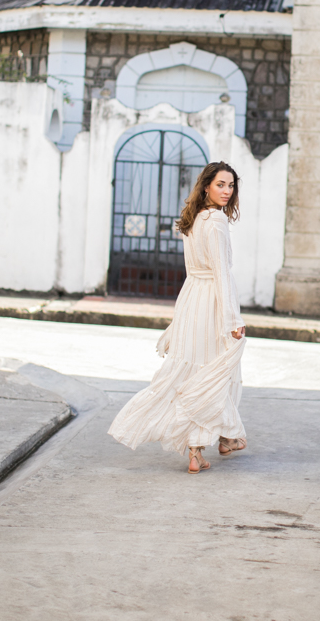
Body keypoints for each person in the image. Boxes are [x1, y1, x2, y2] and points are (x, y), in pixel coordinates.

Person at [108, 161, 247, 474]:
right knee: (215, 370)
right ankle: (201, 448)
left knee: (201, 368)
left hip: (191, 298)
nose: (226, 191)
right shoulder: (216, 222)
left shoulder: (193, 219)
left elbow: (196, 270)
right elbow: (222, 273)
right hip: (212, 301)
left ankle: (225, 437)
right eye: (220, 185)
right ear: (206, 186)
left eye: (230, 185)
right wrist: (232, 319)